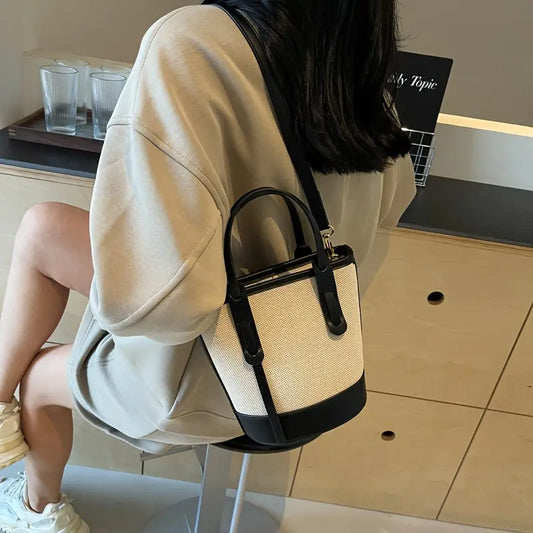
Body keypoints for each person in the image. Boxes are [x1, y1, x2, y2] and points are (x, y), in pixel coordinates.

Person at [0, 0, 415, 530]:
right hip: (306, 361)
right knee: (43, 228)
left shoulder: (190, 42)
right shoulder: (357, 67)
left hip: (207, 380)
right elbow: (392, 206)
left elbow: (170, 308)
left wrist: (108, 304)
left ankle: (41, 513)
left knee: (37, 378)